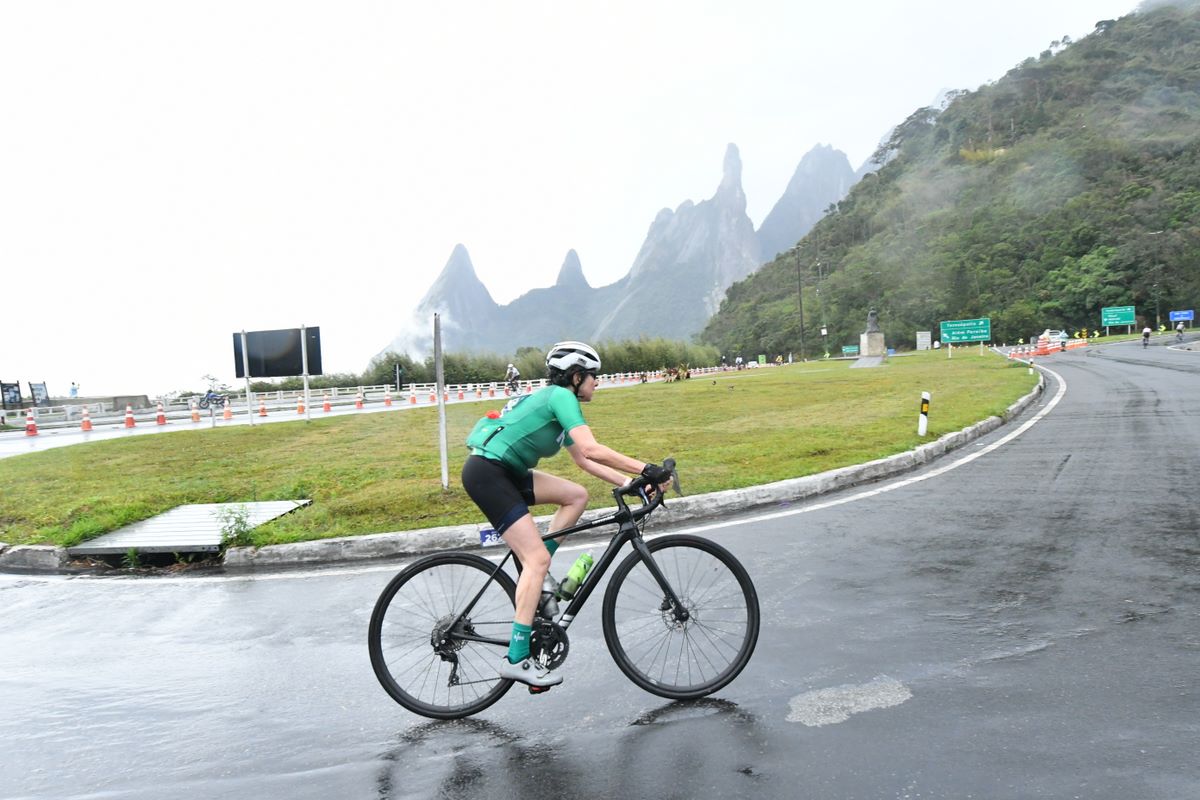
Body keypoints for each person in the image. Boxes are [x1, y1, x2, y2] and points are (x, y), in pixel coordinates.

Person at [461, 341, 672, 689]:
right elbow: (592, 448)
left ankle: (541, 585)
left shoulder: (556, 400)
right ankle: (517, 659)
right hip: (489, 473)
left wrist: (630, 482)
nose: (596, 383)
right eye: (593, 376)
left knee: (576, 496)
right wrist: (648, 469)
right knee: (536, 559)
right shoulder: (561, 397)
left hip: (505, 471)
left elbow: (582, 460)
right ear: (575, 377)